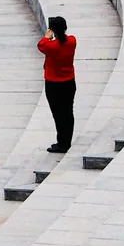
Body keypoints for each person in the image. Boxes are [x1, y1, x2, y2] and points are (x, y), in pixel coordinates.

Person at [38, 16, 77, 153]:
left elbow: (41, 45)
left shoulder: (50, 46)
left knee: (58, 114)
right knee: (68, 112)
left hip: (53, 84)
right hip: (69, 82)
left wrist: (47, 36)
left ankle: (62, 143)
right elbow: (64, 39)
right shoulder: (72, 41)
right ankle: (67, 140)